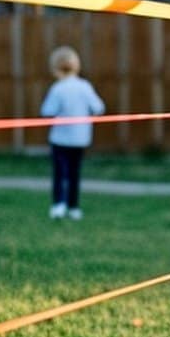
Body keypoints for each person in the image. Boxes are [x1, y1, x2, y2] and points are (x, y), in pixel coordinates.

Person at [40, 46, 105, 220]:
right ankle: (74, 207)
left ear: (55, 69)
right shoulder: (85, 86)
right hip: (80, 139)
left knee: (60, 173)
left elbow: (47, 111)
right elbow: (99, 108)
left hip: (60, 140)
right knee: (74, 174)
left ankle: (59, 205)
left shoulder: (58, 88)